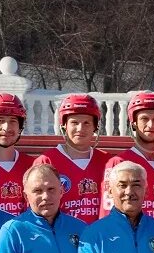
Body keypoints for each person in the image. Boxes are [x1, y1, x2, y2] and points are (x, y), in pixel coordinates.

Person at [32, 93, 112, 223]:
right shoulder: (46, 161)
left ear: (95, 126)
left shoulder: (107, 161)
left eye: (86, 123)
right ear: (64, 125)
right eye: (74, 122)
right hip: (61, 238)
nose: (80, 128)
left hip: (99, 239)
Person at [102, 91, 154, 223]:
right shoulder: (119, 163)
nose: (151, 125)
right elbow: (107, 214)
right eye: (144, 119)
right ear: (134, 123)